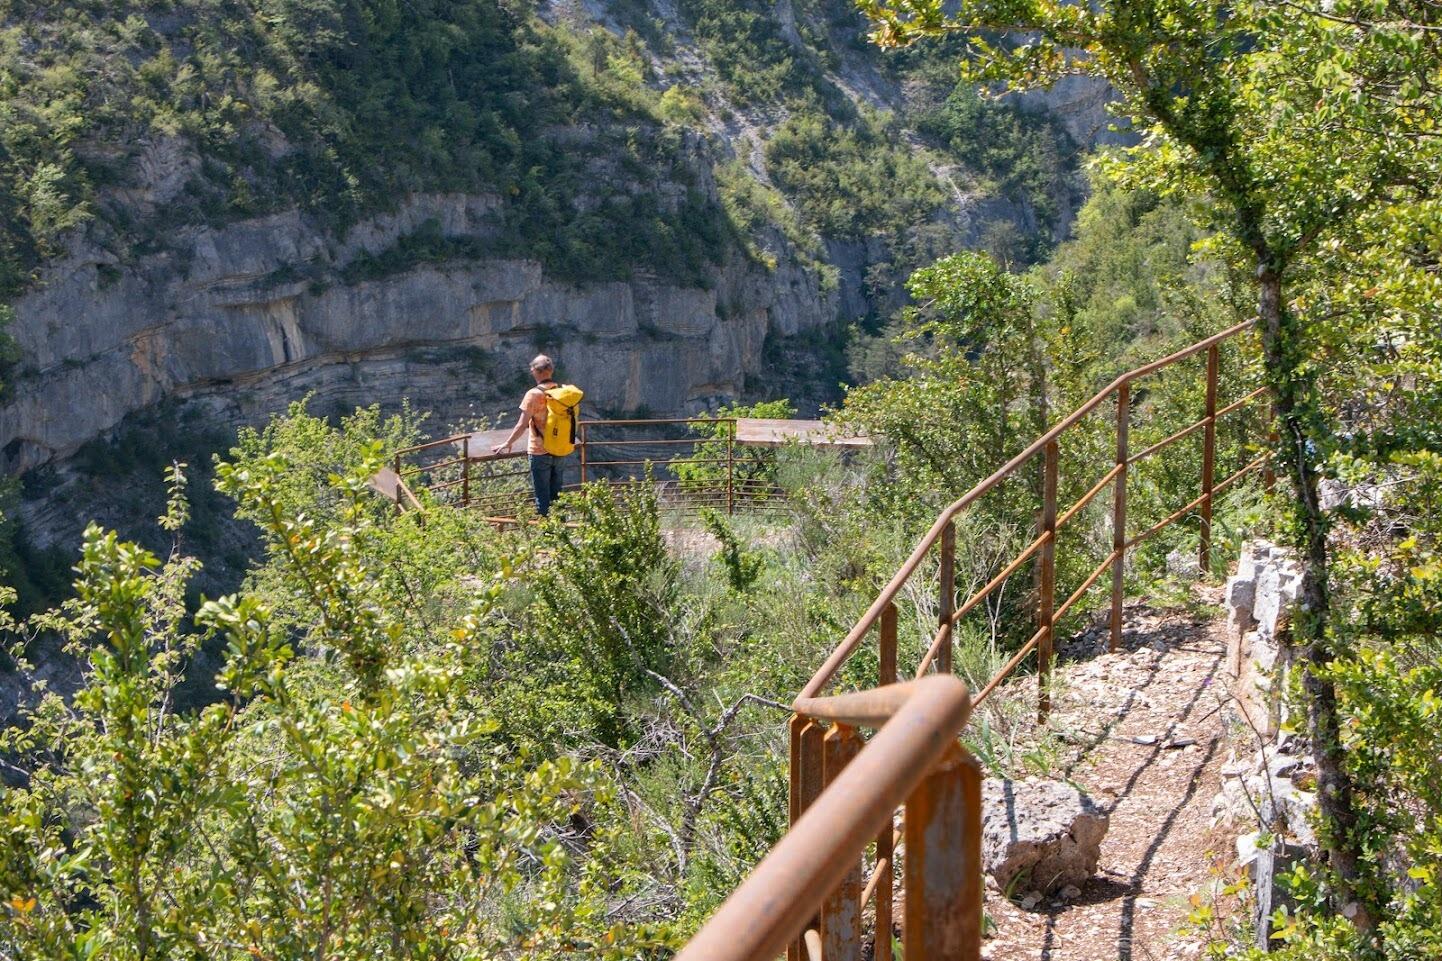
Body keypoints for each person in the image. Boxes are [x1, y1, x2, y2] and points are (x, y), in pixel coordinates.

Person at [492, 354, 569, 517]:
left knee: (543, 497)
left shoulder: (533, 394)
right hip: (560, 448)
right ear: (551, 371)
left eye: (532, 369)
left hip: (539, 451)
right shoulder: (561, 391)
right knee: (558, 496)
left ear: (536, 371)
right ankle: (561, 535)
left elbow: (522, 424)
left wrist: (507, 443)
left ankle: (547, 535)